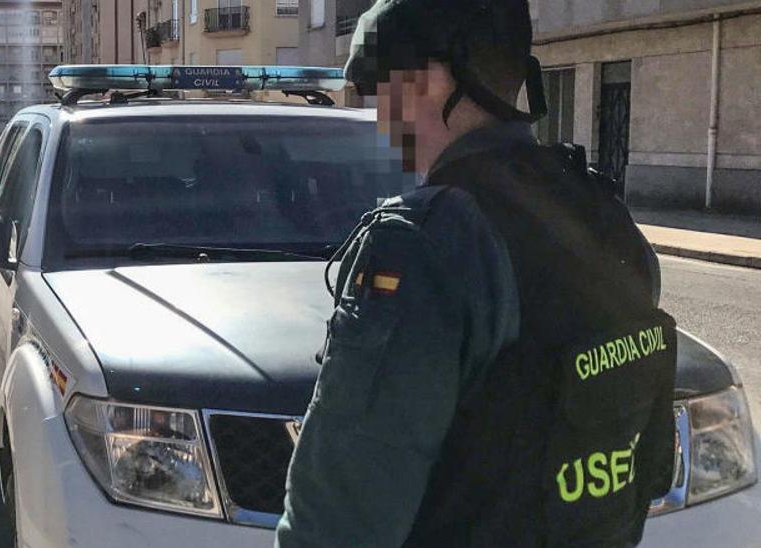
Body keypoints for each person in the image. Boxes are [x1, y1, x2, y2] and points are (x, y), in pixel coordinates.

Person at [277, 1, 677, 546]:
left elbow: (341, 512)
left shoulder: (426, 241)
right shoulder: (605, 217)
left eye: (382, 91)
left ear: (428, 82)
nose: (380, 117)